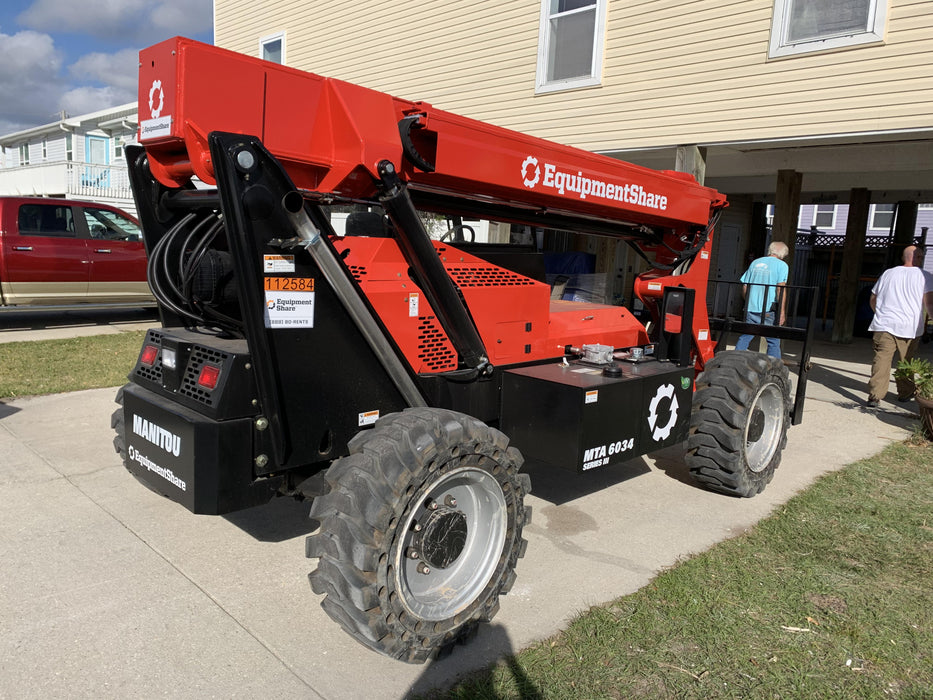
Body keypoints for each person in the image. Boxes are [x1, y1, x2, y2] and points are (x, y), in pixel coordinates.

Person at [866, 245, 933, 407]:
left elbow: (873, 299)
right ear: (915, 257)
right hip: (909, 326)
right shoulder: (925, 277)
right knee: (906, 362)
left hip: (884, 324)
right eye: (920, 256)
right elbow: (929, 303)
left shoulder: (888, 274)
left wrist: (879, 314)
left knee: (881, 359)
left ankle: (875, 396)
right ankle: (905, 392)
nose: (921, 259)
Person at [735, 241, 790, 358]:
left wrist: (748, 301)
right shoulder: (782, 265)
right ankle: (774, 370)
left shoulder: (755, 262)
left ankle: (734, 360)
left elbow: (745, 286)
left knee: (746, 336)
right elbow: (780, 289)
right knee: (773, 341)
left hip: (751, 307)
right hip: (768, 309)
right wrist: (782, 311)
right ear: (783, 254)